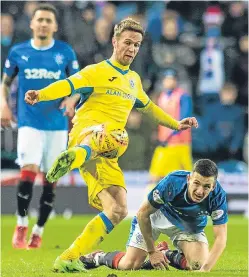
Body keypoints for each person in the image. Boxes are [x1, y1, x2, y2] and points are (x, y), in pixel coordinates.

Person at [25, 18, 198, 273]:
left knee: (117, 209)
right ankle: (73, 156)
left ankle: (68, 257)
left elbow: (149, 108)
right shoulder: (96, 71)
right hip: (86, 135)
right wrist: (41, 94)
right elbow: (68, 84)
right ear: (115, 41)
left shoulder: (134, 81)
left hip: (107, 151)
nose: (131, 48)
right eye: (127, 42)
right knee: (119, 136)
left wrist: (176, 124)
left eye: (137, 45)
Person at [1, 3, 79, 249]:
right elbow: (4, 84)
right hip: (29, 123)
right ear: (32, 24)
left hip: (57, 125)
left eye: (48, 20)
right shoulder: (18, 52)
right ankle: (22, 224)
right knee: (29, 169)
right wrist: (3, 105)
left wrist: (71, 100)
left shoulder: (65, 53)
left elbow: (78, 86)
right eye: (40, 19)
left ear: (55, 26)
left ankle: (39, 230)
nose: (44, 23)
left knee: (50, 179)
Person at [81, 159, 228, 272]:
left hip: (188, 227)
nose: (200, 191)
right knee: (130, 265)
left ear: (213, 186)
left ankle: (167, 254)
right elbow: (143, 214)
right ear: (189, 178)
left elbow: (221, 237)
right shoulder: (172, 182)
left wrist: (205, 270)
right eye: (196, 183)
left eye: (207, 186)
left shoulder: (218, 197)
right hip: (156, 217)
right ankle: (98, 257)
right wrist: (152, 251)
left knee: (198, 264)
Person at [149, 68, 193, 188]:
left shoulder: (183, 96)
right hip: (165, 143)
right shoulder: (162, 97)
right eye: (167, 79)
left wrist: (171, 134)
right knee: (156, 174)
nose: (169, 82)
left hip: (180, 143)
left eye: (171, 79)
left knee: (186, 174)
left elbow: (184, 118)